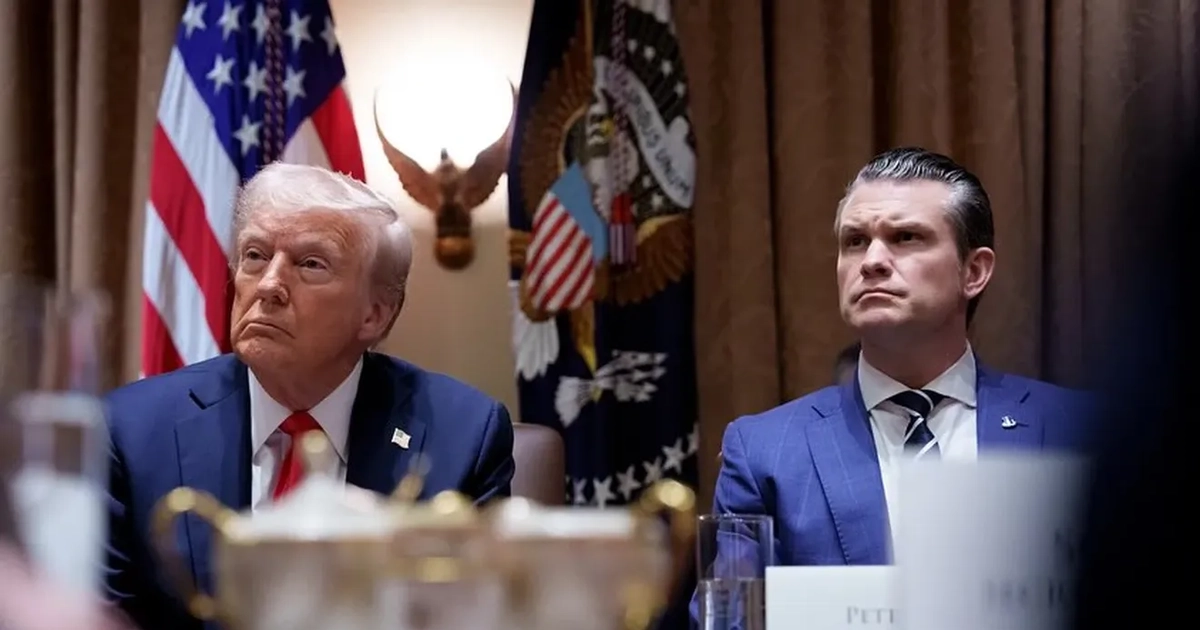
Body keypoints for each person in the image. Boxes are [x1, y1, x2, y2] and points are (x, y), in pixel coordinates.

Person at [103, 163, 515, 629]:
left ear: (375, 315)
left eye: (311, 264)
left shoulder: (463, 437)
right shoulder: (132, 431)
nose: (269, 285)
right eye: (255, 255)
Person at [707, 147, 1092, 569]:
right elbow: (730, 606)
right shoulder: (764, 453)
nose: (871, 262)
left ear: (974, 271)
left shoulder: (1079, 431)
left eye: (906, 237)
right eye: (855, 242)